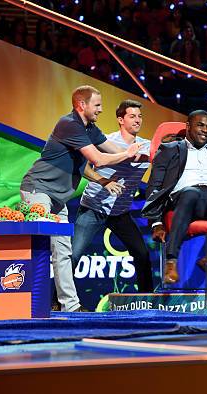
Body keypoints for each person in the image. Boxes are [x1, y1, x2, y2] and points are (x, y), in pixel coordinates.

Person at [20, 85, 141, 312]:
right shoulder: (69, 124)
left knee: (64, 252)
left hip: (58, 198)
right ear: (82, 105)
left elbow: (111, 148)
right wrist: (127, 154)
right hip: (38, 190)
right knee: (39, 246)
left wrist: (138, 153)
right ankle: (29, 305)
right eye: (97, 105)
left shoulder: (89, 128)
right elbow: (99, 159)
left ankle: (70, 306)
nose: (101, 109)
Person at [142, 110, 207, 284]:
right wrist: (155, 222)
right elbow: (155, 186)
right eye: (200, 125)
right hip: (184, 198)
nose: (205, 130)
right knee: (192, 192)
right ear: (188, 126)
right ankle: (171, 262)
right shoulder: (170, 149)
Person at [72, 100, 153, 293]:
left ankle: (148, 302)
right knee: (74, 256)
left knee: (142, 254)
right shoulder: (104, 141)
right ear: (120, 120)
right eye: (132, 116)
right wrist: (103, 181)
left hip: (120, 213)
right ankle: (58, 301)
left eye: (140, 116)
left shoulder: (147, 146)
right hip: (93, 208)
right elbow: (81, 166)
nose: (137, 120)